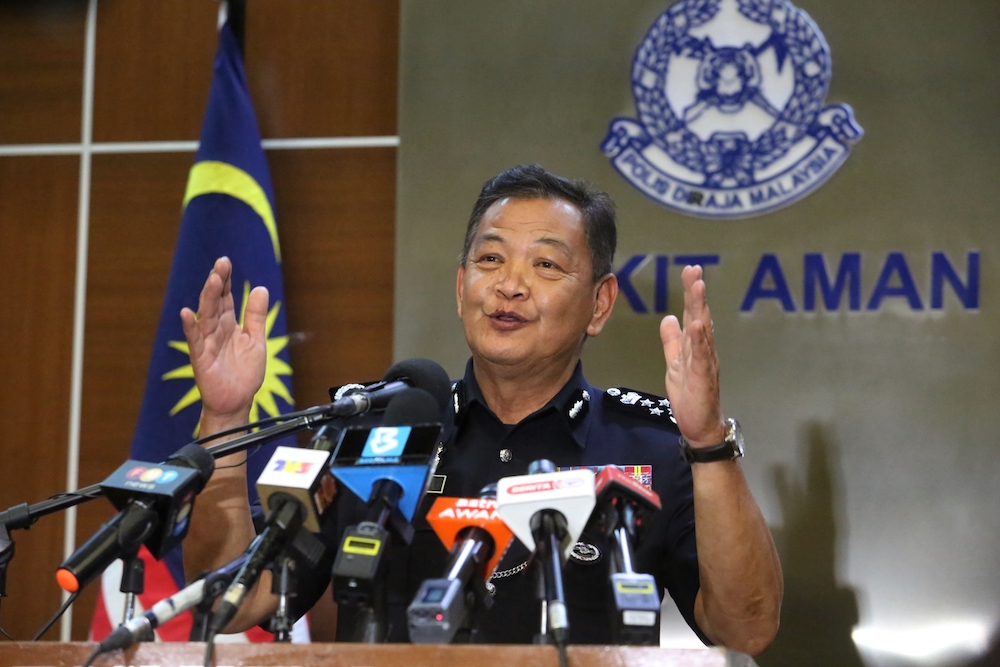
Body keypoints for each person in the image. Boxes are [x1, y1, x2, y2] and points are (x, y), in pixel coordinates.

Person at [181, 164, 782, 654]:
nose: (509, 285)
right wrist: (225, 419)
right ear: (460, 285)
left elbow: (746, 629)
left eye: (545, 265)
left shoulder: (651, 448)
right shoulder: (378, 432)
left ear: (599, 305)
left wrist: (708, 442)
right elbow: (233, 597)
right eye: (491, 260)